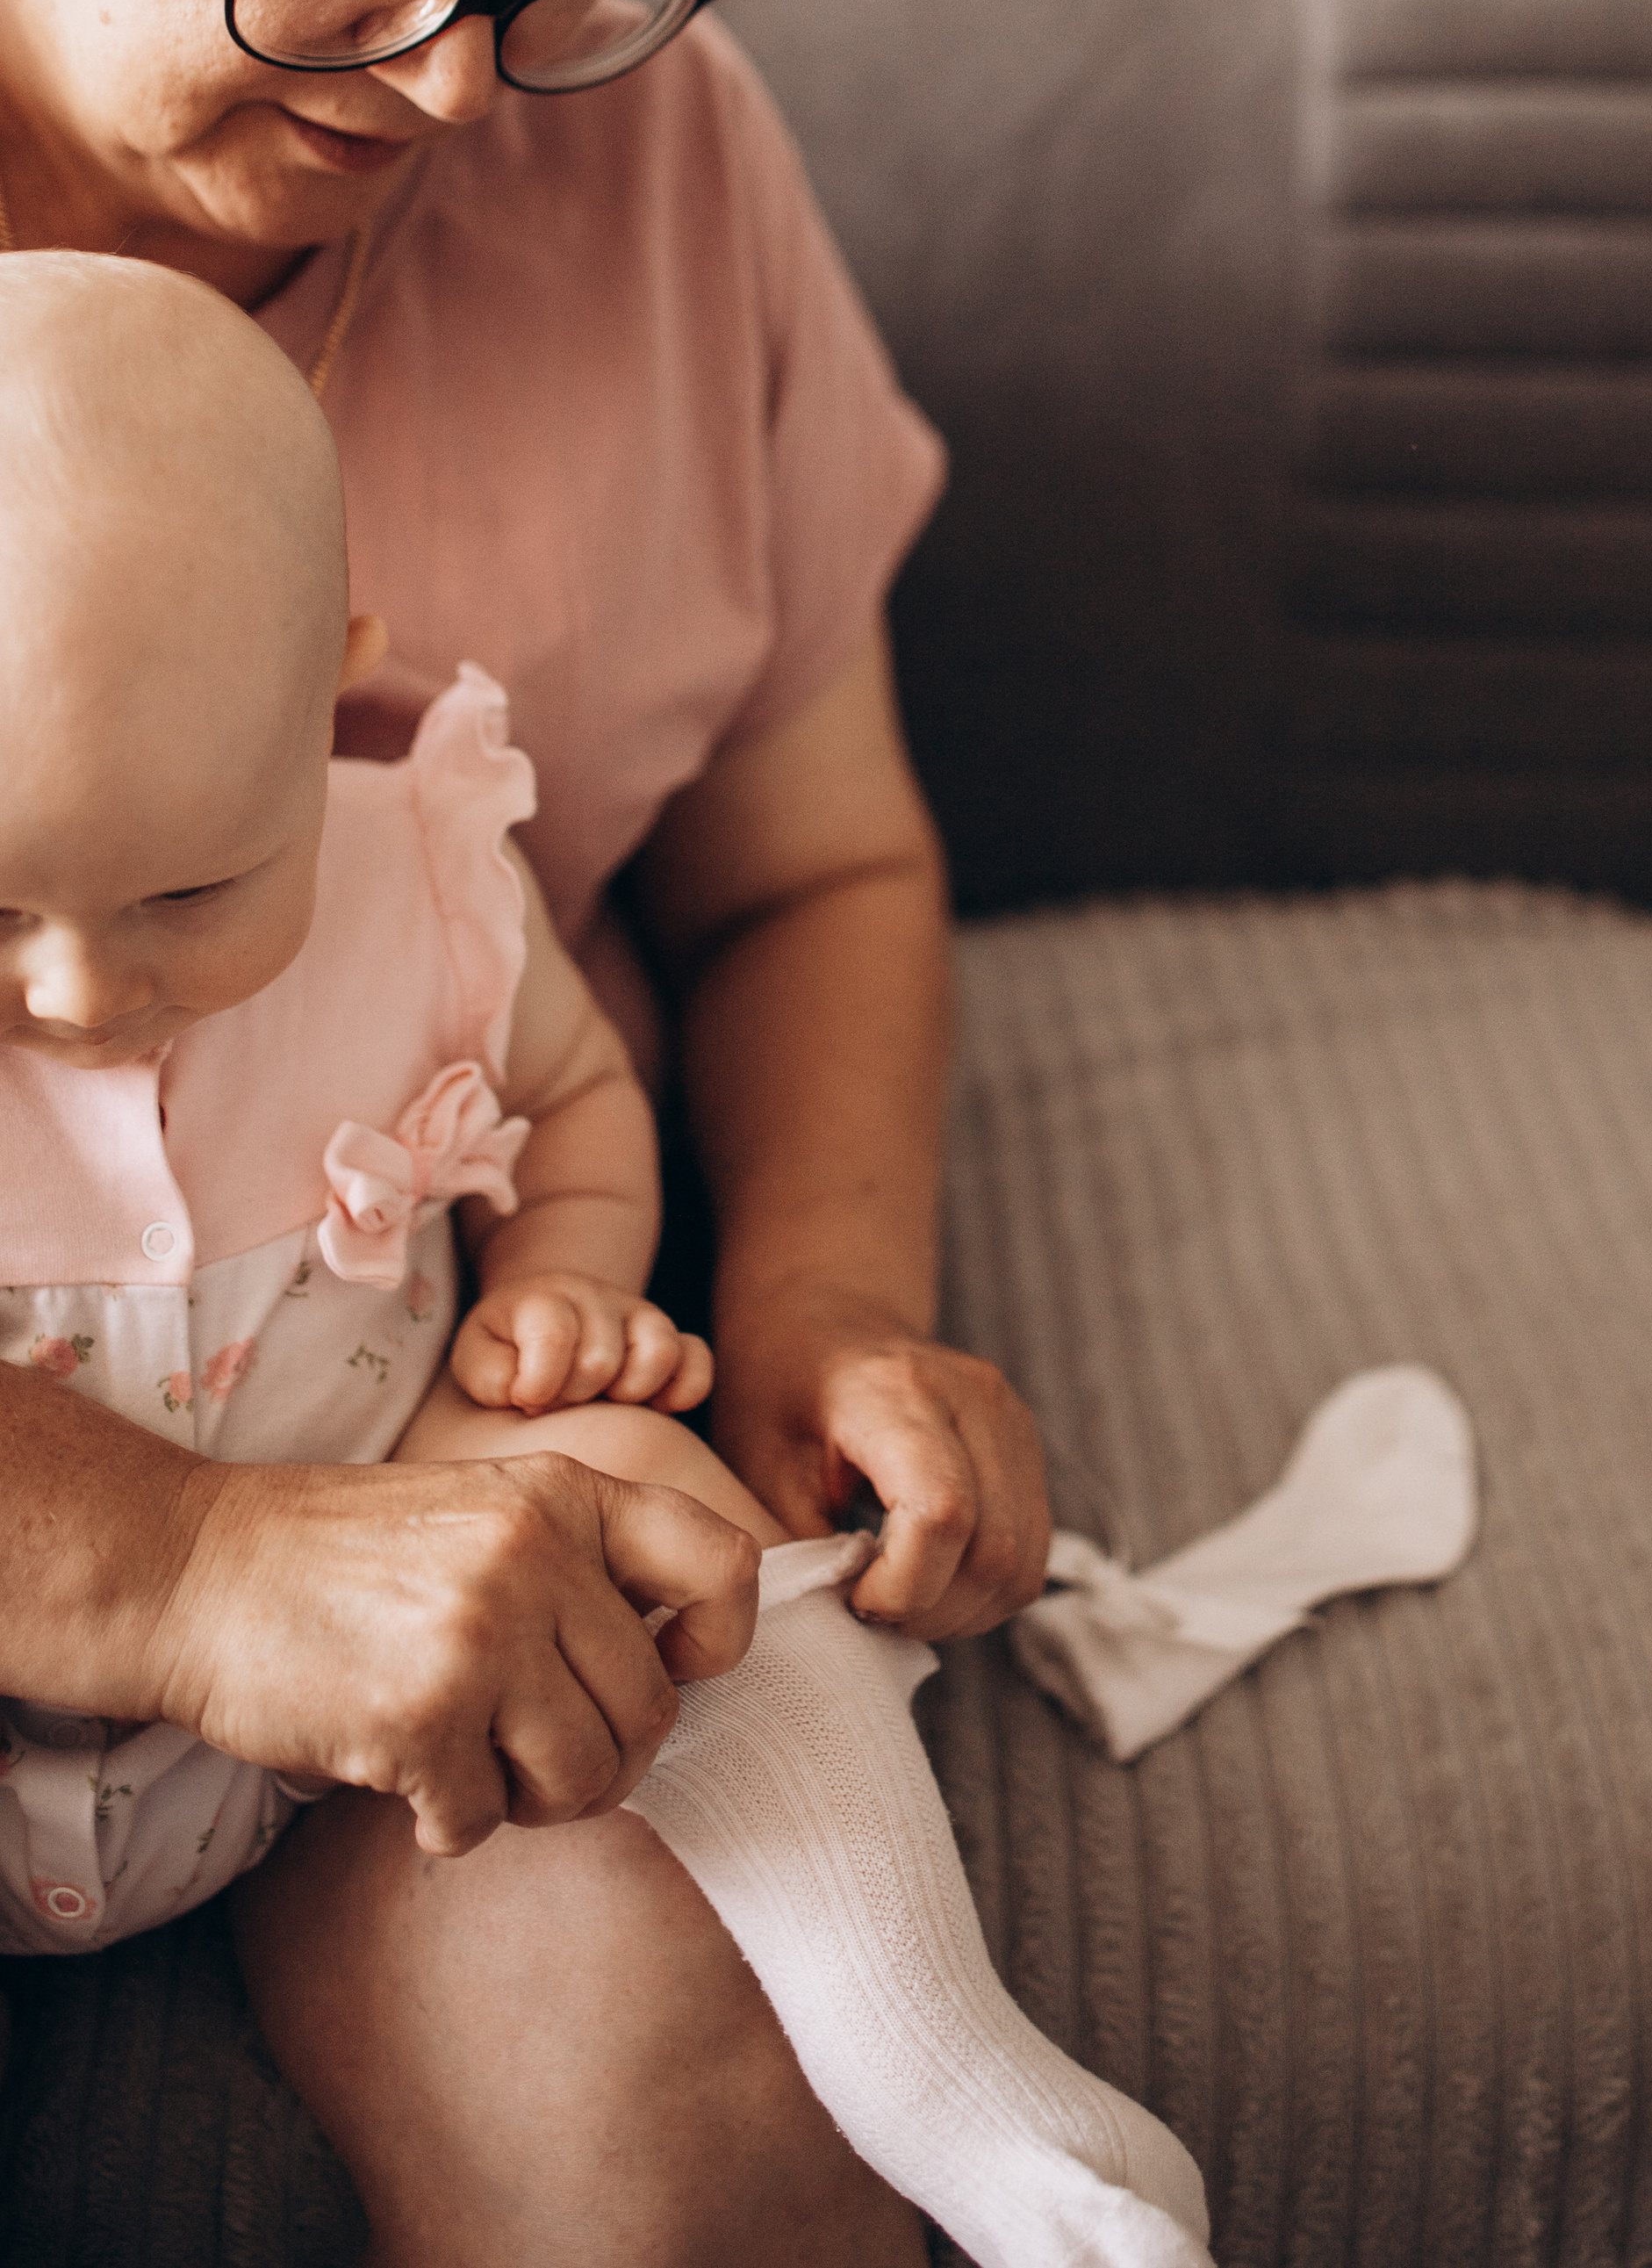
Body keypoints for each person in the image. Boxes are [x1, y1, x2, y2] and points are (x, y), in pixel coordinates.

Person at [0, 0, 1054, 2260]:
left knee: (687, 2120)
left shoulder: (655, 160)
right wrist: (180, 1571)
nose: (462, 76)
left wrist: (836, 1294)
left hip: (436, 1420)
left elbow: (813, 852)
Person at [0, 254, 1214, 2267]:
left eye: (194, 887)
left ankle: (963, 2084)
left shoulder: (421, 872)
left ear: (333, 703)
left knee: (653, 1516)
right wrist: (187, 1566)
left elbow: (569, 1087)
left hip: (388, 1551)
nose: (84, 987)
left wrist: (566, 1284)